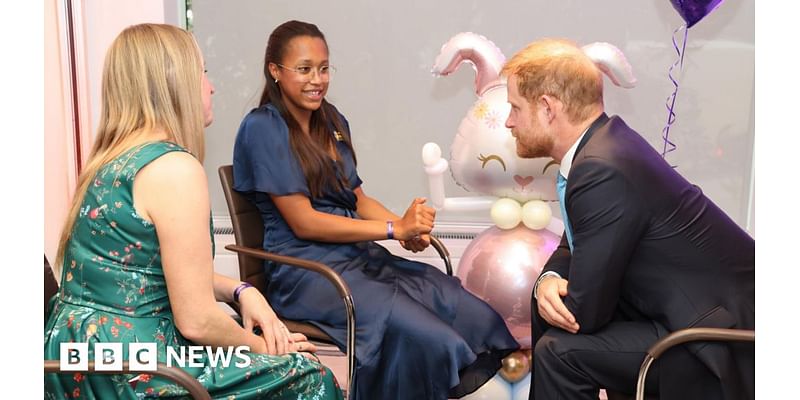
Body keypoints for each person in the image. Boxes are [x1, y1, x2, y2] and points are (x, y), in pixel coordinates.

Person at [44, 23, 343, 399]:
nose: (211, 85)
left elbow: (154, 274)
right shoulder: (174, 169)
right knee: (309, 376)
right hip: (132, 364)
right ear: (175, 83)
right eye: (203, 72)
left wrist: (240, 289)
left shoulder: (113, 160)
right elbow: (198, 320)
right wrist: (264, 348)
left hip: (78, 352)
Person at [232, 20, 520, 400]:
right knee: (429, 338)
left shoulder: (331, 121)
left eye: (323, 67)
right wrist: (392, 230)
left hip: (357, 261)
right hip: (307, 273)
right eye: (303, 69)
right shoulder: (262, 127)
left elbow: (358, 199)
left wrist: (407, 228)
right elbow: (304, 223)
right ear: (275, 71)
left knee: (471, 314)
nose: (316, 79)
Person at [500, 38, 754, 400]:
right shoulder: (605, 145)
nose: (509, 122)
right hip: (681, 316)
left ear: (547, 107)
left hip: (714, 341)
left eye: (515, 108)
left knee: (559, 354)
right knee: (548, 312)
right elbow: (576, 240)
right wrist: (549, 279)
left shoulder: (601, 168)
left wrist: (550, 292)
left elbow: (585, 314)